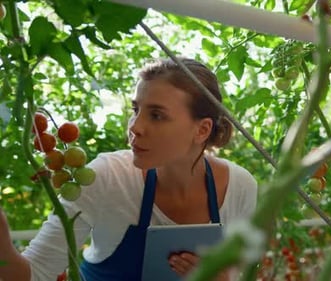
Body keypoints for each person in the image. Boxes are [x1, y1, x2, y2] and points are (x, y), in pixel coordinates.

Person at [0, 57, 259, 281]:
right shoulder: (108, 178)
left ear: (202, 130)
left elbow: (244, 271)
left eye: (156, 115)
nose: (135, 126)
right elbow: (33, 274)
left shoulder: (240, 187)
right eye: (136, 110)